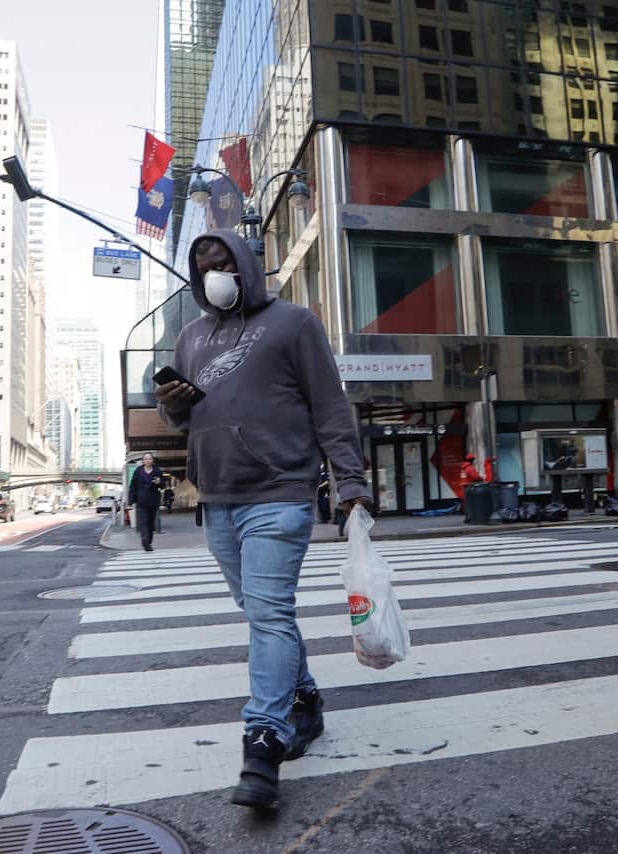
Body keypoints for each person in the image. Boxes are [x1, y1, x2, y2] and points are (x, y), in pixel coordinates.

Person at [156, 229, 370, 811]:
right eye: (203, 272)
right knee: (258, 610)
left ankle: (264, 736)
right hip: (217, 497)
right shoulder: (192, 337)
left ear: (245, 265)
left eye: (222, 264)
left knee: (270, 611)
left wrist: (350, 480)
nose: (214, 277)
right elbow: (178, 419)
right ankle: (305, 700)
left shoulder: (294, 323)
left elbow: (329, 405)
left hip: (279, 491)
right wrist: (174, 406)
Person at [127, 452, 165, 551]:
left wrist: (159, 482)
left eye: (149, 459)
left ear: (152, 460)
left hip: (153, 501)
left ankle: (149, 541)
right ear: (143, 461)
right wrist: (131, 501)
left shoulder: (157, 471)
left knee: (151, 523)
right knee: (143, 522)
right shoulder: (138, 471)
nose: (148, 461)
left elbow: (163, 484)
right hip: (141, 501)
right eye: (146, 459)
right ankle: (145, 542)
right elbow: (133, 486)